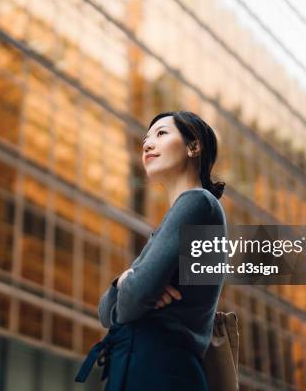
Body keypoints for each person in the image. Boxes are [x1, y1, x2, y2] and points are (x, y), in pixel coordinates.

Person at [75, 111, 228, 390]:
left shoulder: (197, 203)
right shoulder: (188, 212)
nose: (147, 144)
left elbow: (132, 301)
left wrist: (132, 284)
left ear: (194, 147)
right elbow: (105, 311)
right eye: (146, 138)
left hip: (157, 370)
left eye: (161, 134)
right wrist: (126, 282)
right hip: (157, 367)